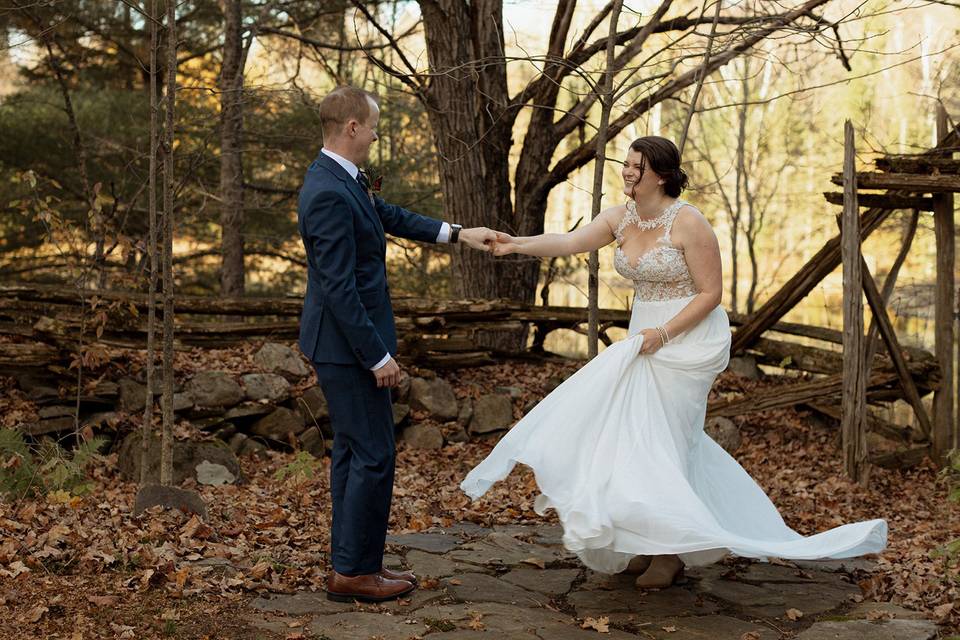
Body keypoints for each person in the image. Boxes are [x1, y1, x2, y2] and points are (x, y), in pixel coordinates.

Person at [460, 136, 887, 588]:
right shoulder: (619, 218)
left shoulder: (689, 223)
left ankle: (670, 552)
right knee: (635, 440)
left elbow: (711, 293)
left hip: (685, 340)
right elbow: (568, 242)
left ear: (660, 175)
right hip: (642, 335)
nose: (626, 173)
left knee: (666, 441)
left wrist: (663, 334)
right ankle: (648, 540)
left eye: (636, 167)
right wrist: (514, 245)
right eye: (625, 165)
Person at [297, 86, 496, 603]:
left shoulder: (342, 181)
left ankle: (351, 564)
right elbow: (339, 289)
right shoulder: (325, 192)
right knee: (374, 454)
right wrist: (378, 356)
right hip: (347, 348)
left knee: (353, 453)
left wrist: (457, 233)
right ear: (352, 128)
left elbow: (387, 215)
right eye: (374, 126)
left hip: (344, 345)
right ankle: (355, 571)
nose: (378, 135)